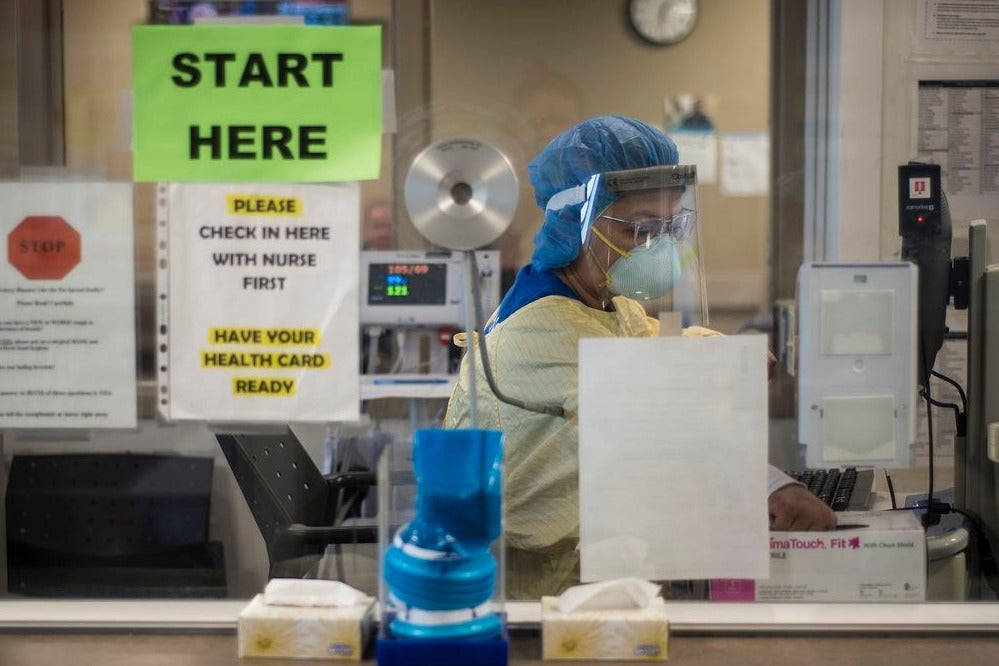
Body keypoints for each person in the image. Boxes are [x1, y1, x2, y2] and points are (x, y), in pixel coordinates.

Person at [442, 115, 836, 599]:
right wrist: (768, 486)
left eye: (672, 227)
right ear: (576, 224)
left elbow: (655, 349)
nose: (660, 246)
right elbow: (643, 428)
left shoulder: (604, 303)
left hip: (599, 577)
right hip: (537, 598)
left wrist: (729, 357)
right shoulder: (539, 330)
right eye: (641, 229)